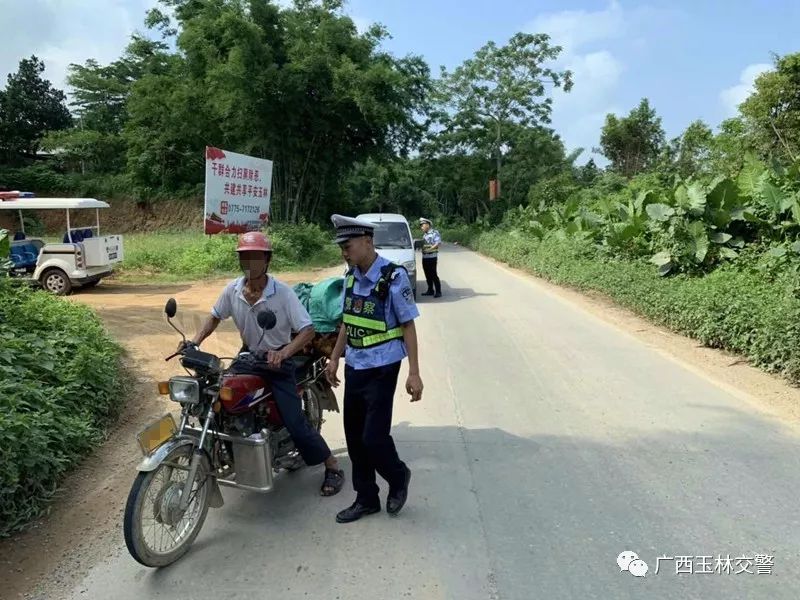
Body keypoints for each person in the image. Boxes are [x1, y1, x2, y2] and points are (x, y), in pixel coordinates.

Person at [186, 231, 345, 497]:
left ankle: (332, 465)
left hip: (277, 363)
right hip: (249, 357)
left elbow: (307, 330)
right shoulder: (233, 289)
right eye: (243, 256)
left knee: (295, 422)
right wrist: (194, 342)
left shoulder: (281, 293)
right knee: (217, 397)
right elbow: (214, 317)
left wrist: (284, 352)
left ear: (267, 260)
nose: (248, 262)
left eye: (254, 256)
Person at [325, 214, 424, 523]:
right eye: (342, 247)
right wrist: (334, 358)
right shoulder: (350, 277)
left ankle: (398, 476)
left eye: (349, 245)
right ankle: (366, 498)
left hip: (383, 367)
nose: (345, 252)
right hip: (355, 364)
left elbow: (408, 325)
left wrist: (414, 372)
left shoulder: (393, 277)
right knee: (354, 437)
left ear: (367, 242)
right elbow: (347, 322)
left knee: (373, 438)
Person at [419, 217, 442, 298]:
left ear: (427, 225)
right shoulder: (425, 234)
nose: (421, 227)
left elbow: (437, 243)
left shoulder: (435, 233)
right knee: (427, 274)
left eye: (422, 225)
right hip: (425, 257)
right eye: (421, 225)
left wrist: (429, 249)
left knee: (433, 274)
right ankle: (430, 290)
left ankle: (438, 291)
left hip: (432, 257)